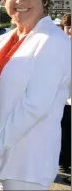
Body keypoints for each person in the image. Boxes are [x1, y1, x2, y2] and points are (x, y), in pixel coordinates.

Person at [0, 0, 71, 190]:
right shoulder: (0, 42)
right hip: (0, 162)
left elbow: (35, 106)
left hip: (27, 166)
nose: (20, 1)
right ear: (3, 0)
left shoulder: (53, 41)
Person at [59, 13, 71, 184]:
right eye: (68, 26)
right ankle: (64, 163)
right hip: (63, 98)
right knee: (65, 132)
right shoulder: (60, 45)